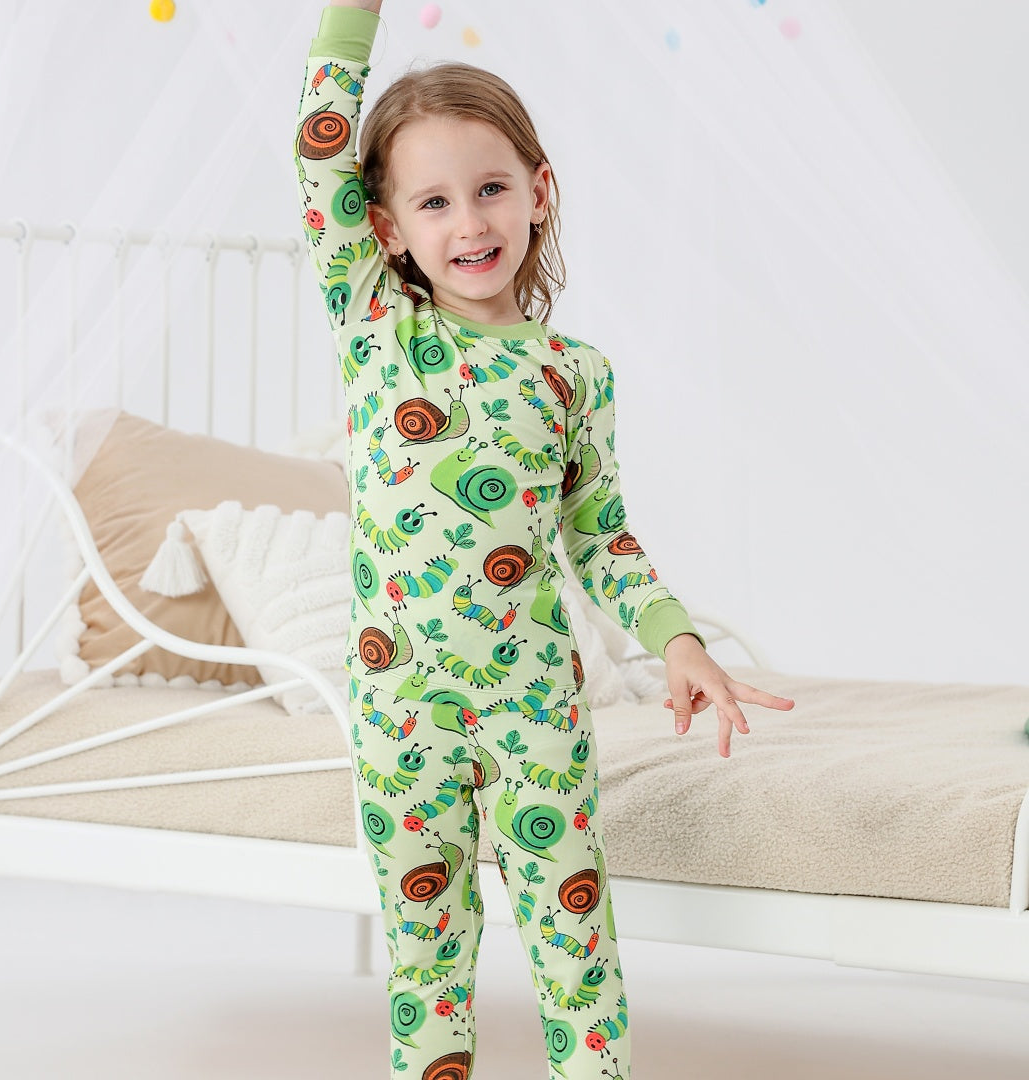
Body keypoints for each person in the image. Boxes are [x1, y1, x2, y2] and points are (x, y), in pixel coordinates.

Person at [295, 4, 794, 1076]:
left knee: (575, 947)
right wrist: (351, 20)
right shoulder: (375, 326)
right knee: (427, 957)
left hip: (532, 706)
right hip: (399, 707)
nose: (469, 222)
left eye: (491, 188)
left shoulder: (575, 374)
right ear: (386, 229)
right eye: (433, 201)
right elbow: (318, 149)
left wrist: (678, 641)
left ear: (539, 191)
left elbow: (600, 537)